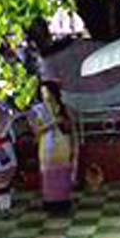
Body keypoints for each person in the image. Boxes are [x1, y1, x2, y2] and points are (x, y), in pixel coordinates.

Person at [32, 81, 77, 212]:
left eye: (47, 91)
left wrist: (63, 122)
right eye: (42, 92)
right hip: (47, 144)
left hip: (62, 142)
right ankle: (50, 202)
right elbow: (36, 130)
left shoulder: (63, 107)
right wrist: (51, 124)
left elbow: (70, 126)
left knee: (62, 172)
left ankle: (64, 200)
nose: (45, 95)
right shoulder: (38, 110)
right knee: (48, 174)